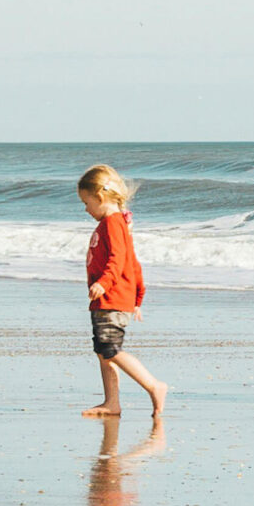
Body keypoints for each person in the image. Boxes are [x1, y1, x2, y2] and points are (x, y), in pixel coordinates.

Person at [78, 164, 167, 417]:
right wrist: (138, 297)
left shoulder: (112, 223)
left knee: (110, 349)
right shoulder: (116, 223)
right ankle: (112, 403)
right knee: (103, 353)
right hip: (108, 300)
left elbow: (118, 260)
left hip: (112, 298)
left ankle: (154, 385)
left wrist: (103, 283)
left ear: (100, 197)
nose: (86, 209)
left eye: (86, 203)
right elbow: (133, 263)